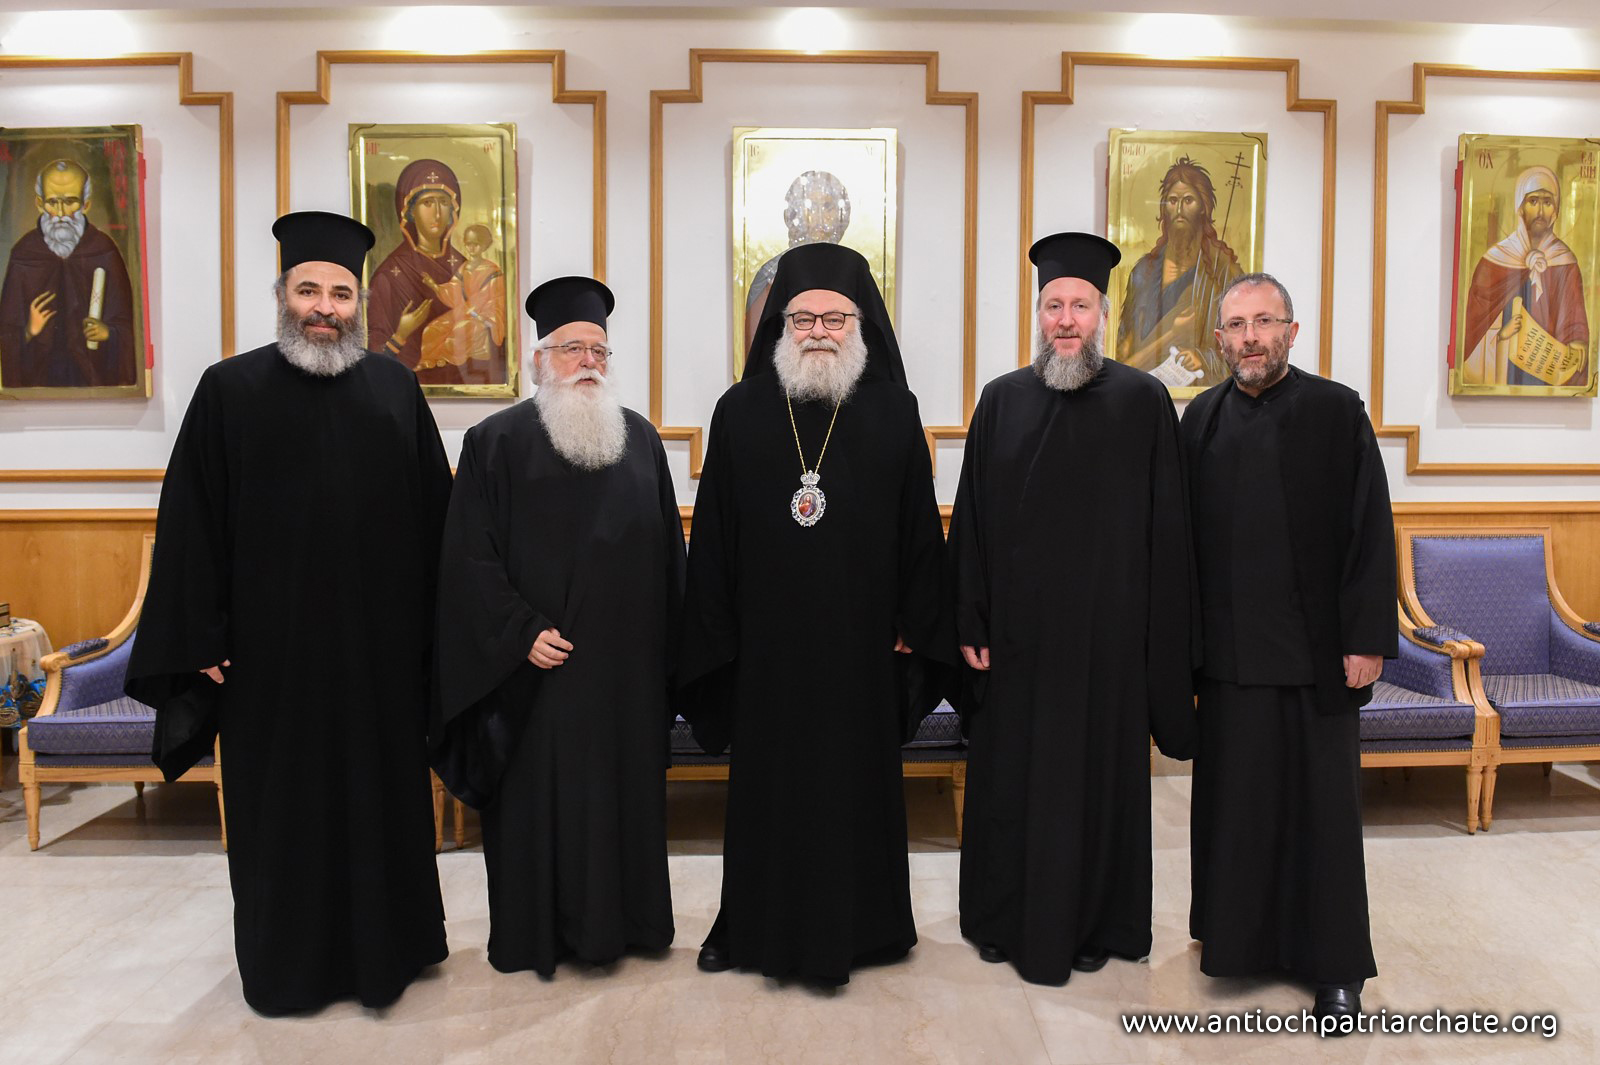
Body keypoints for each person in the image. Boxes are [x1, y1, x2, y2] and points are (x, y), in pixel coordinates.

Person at [124, 211, 453, 1014]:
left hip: (378, 662)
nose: (325, 307)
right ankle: (288, 969)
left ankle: (392, 953)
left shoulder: (395, 389)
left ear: (362, 302)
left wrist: (439, 644)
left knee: (383, 808)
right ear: (283, 295)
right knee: (284, 823)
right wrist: (198, 638)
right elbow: (191, 524)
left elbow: (437, 523)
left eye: (341, 292)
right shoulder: (228, 389)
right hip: (269, 666)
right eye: (309, 288)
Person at [678, 241, 954, 985]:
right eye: (803, 318)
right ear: (779, 326)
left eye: (836, 317)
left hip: (860, 647)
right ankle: (745, 924)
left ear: (861, 324)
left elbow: (919, 531)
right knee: (767, 791)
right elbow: (714, 540)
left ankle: (868, 927)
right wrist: (720, 635)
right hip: (768, 651)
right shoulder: (738, 412)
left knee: (852, 786)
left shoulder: (896, 411)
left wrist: (912, 617)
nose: (820, 331)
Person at [948, 231, 1197, 987]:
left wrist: (1160, 645)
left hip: (1107, 651)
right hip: (1018, 649)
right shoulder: (1002, 400)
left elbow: (1169, 536)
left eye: (1079, 305)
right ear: (1038, 313)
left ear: (1104, 314)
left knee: (1097, 790)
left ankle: (1098, 923)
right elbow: (973, 524)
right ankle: (1001, 918)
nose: (1065, 318)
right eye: (1053, 304)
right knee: (1013, 788)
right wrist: (971, 621)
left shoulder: (1143, 401)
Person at [431, 276, 684, 978]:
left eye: (599, 349)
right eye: (572, 348)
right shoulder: (494, 443)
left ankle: (630, 926)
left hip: (625, 679)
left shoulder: (640, 440)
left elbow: (669, 556)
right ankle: (539, 935)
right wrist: (519, 632)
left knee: (623, 810)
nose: (589, 362)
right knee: (542, 812)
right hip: (534, 678)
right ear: (539, 360)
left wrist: (669, 656)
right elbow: (469, 558)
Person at [1181, 272, 1395, 1027]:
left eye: (1264, 322)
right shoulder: (1199, 420)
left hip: (1317, 660)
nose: (1250, 337)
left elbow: (1372, 531)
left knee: (1324, 819)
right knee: (1236, 811)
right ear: (1219, 340)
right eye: (1236, 325)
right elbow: (1180, 551)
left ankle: (1336, 968)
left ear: (1291, 332)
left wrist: (1368, 639)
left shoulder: (1337, 412)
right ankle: (1237, 944)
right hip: (1231, 663)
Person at [367, 158, 506, 387]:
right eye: (427, 203)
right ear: (409, 211)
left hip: (465, 375)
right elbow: (373, 354)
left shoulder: (465, 265)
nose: (438, 213)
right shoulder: (388, 275)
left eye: (443, 202)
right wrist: (401, 334)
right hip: (403, 385)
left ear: (454, 210)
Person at [0, 158, 137, 389]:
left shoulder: (104, 251)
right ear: (39, 202)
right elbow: (5, 334)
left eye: (71, 201)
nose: (61, 213)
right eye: (53, 202)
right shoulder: (24, 253)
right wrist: (29, 330)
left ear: (86, 204)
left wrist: (108, 334)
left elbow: (129, 330)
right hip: (38, 380)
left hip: (94, 376)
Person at [1117, 157, 1242, 388]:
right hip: (1143, 391)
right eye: (1173, 201)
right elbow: (1123, 353)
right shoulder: (1143, 271)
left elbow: (1240, 347)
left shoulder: (1223, 272)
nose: (1180, 209)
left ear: (1204, 206)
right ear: (1164, 209)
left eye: (1189, 200)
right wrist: (1174, 333)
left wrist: (1203, 359)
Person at [1460, 165, 1590, 388]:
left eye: (1547, 202)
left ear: (1556, 211)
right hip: (1505, 368)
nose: (1540, 211)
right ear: (1520, 208)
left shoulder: (1565, 262)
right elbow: (1472, 328)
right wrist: (1500, 335)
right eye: (1533, 201)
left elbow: (1574, 315)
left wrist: (1578, 344)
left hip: (1549, 371)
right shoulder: (1494, 261)